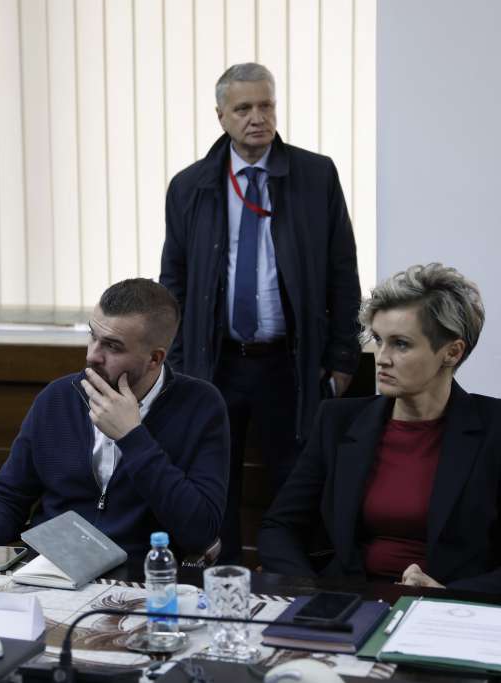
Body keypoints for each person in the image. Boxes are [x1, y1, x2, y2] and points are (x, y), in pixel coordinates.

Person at [258, 264, 501, 598]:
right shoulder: (337, 421)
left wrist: (450, 595)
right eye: (378, 340)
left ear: (452, 352)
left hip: (448, 610)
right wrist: (314, 595)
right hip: (349, 603)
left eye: (401, 344)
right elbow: (279, 527)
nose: (382, 358)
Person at [160, 62, 362, 562]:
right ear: (221, 116)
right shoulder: (191, 186)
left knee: (296, 487)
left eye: (266, 105)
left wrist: (342, 360)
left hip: (291, 364)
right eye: (244, 108)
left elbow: (343, 270)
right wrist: (179, 364)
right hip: (216, 365)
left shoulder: (316, 175)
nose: (258, 117)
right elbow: (173, 282)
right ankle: (222, 587)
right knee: (213, 484)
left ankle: (292, 590)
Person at [0, 279, 230, 561]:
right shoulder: (58, 398)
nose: (92, 355)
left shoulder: (201, 406)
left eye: (112, 346)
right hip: (49, 569)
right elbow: (7, 499)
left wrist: (132, 437)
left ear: (155, 359)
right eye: (92, 336)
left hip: (141, 575)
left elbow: (201, 532)